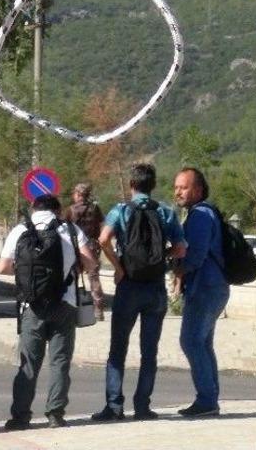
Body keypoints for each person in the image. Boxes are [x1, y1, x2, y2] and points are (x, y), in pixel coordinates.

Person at [92, 164, 186, 422]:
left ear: (132, 185)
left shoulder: (120, 210)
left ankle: (114, 407)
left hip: (128, 285)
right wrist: (160, 259)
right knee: (149, 351)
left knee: (117, 349)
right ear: (152, 185)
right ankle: (142, 407)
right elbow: (180, 249)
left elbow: (103, 240)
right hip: (155, 287)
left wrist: (119, 267)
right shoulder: (166, 212)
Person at [0, 194, 96, 429]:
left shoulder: (20, 230)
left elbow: (3, 267)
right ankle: (55, 414)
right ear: (58, 209)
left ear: (33, 208)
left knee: (29, 363)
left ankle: (21, 417)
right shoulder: (70, 230)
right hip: (65, 304)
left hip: (31, 306)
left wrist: (28, 276)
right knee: (60, 361)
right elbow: (90, 262)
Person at [173, 167, 229, 417]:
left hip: (205, 286)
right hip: (214, 286)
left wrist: (175, 268)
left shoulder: (200, 216)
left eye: (183, 187)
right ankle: (210, 398)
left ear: (197, 189)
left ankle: (207, 399)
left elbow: (195, 256)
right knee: (203, 343)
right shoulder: (206, 212)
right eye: (176, 188)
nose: (178, 192)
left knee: (191, 341)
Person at [66, 183, 106, 321]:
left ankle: (74, 307)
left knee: (74, 277)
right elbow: (102, 226)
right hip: (92, 245)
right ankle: (99, 310)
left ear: (77, 194)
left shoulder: (71, 210)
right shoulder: (95, 208)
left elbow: (66, 228)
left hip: (75, 246)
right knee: (94, 278)